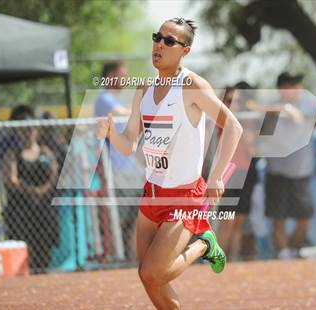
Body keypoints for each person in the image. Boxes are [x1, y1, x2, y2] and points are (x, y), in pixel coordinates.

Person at [96, 17, 243, 309]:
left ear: (184, 51)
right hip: (152, 193)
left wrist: (215, 177)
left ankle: (204, 244)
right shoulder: (144, 90)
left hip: (184, 195)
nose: (159, 44)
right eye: (157, 37)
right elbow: (129, 145)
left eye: (169, 41)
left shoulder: (191, 85)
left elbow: (234, 127)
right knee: (149, 279)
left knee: (153, 272)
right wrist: (111, 133)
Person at [263, 72, 316, 259]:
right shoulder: (270, 109)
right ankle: (284, 253)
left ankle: (292, 250)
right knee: (279, 217)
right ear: (281, 89)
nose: (296, 89)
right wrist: (283, 109)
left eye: (297, 85)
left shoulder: (309, 104)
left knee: (305, 219)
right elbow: (264, 137)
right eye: (291, 85)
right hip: (278, 171)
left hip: (302, 172)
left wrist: (291, 111)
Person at [95, 61, 143, 261]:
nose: (125, 79)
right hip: (115, 170)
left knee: (136, 220)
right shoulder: (104, 99)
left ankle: (131, 260)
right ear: (110, 76)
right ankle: (117, 259)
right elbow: (122, 114)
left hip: (131, 170)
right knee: (118, 220)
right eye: (121, 75)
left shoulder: (117, 100)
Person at [2, 114, 59, 273]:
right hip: (22, 206)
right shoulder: (14, 154)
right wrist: (31, 191)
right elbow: (11, 179)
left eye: (31, 129)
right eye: (24, 130)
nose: (28, 133)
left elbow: (54, 172)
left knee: (45, 244)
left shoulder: (45, 152)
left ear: (37, 131)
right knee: (24, 243)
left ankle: (43, 270)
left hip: (43, 205)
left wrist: (43, 190)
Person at [216, 84, 258, 261]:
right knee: (227, 220)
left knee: (239, 220)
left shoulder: (248, 118)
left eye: (238, 101)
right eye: (230, 100)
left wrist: (252, 142)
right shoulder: (222, 119)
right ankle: (215, 258)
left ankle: (232, 259)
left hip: (246, 171)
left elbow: (253, 149)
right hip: (228, 172)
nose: (234, 104)